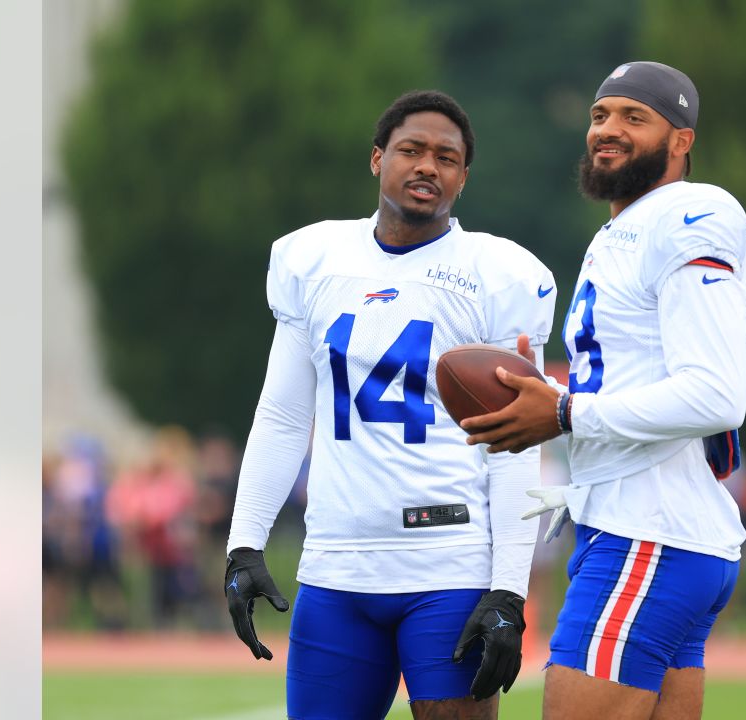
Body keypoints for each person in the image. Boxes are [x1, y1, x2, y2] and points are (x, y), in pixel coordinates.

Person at [224, 90, 557, 720]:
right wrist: (244, 542)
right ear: (378, 159)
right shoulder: (314, 259)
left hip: (447, 564)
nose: (428, 166)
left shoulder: (497, 274)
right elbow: (284, 415)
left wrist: (510, 588)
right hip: (336, 567)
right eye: (411, 150)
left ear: (463, 176)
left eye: (446, 157)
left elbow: (516, 444)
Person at [460, 61, 746, 720]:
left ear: (681, 140)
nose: (607, 129)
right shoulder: (623, 230)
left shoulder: (691, 212)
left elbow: (715, 395)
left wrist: (564, 409)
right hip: (645, 527)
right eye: (599, 115)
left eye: (633, 116)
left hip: (649, 534)